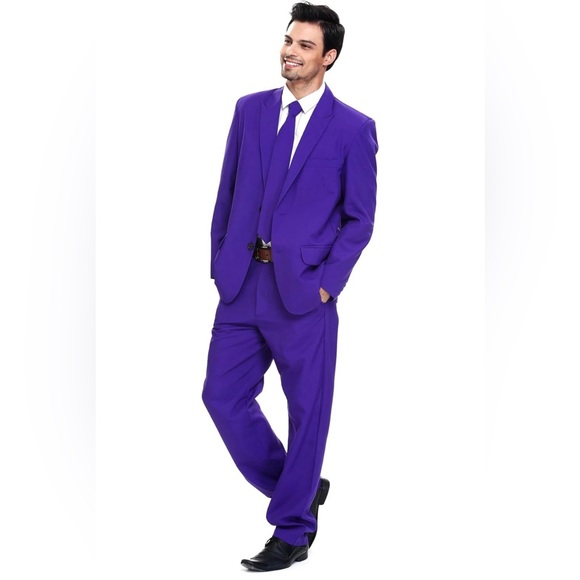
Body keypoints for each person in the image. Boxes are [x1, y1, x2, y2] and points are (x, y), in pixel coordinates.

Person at [202, 2, 378, 572]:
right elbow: (227, 192)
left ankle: (294, 530)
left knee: (308, 413)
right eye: (288, 40)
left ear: (329, 57)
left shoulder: (352, 129)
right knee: (221, 396)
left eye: (305, 45)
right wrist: (220, 260)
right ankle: (299, 489)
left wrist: (328, 285)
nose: (290, 52)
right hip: (242, 283)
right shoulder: (249, 110)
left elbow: (359, 220)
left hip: (303, 293)